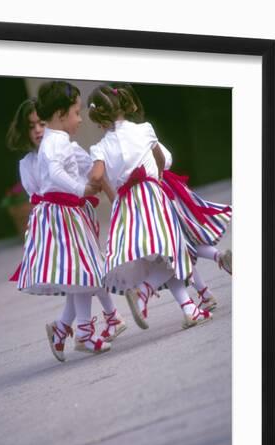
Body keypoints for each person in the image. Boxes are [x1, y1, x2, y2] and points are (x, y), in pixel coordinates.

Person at [6, 98, 126, 356]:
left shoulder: (67, 147)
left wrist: (107, 195)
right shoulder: (27, 162)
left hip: (76, 215)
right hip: (54, 222)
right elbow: (36, 195)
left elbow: (93, 171)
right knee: (82, 274)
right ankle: (87, 327)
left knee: (82, 274)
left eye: (41, 123)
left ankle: (66, 328)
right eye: (31, 126)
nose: (38, 130)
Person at [87, 84, 212, 330]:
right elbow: (162, 159)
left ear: (98, 117)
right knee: (172, 252)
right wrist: (159, 177)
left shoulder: (99, 147)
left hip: (127, 206)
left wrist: (95, 174)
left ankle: (189, 308)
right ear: (122, 105)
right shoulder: (144, 129)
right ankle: (144, 291)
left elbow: (97, 175)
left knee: (161, 259)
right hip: (152, 197)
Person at [111, 83, 232, 312]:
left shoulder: (134, 136)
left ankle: (210, 273)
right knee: (180, 245)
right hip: (168, 190)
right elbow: (168, 159)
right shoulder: (142, 131)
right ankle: (209, 281)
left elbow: (160, 161)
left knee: (177, 247)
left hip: (157, 195)